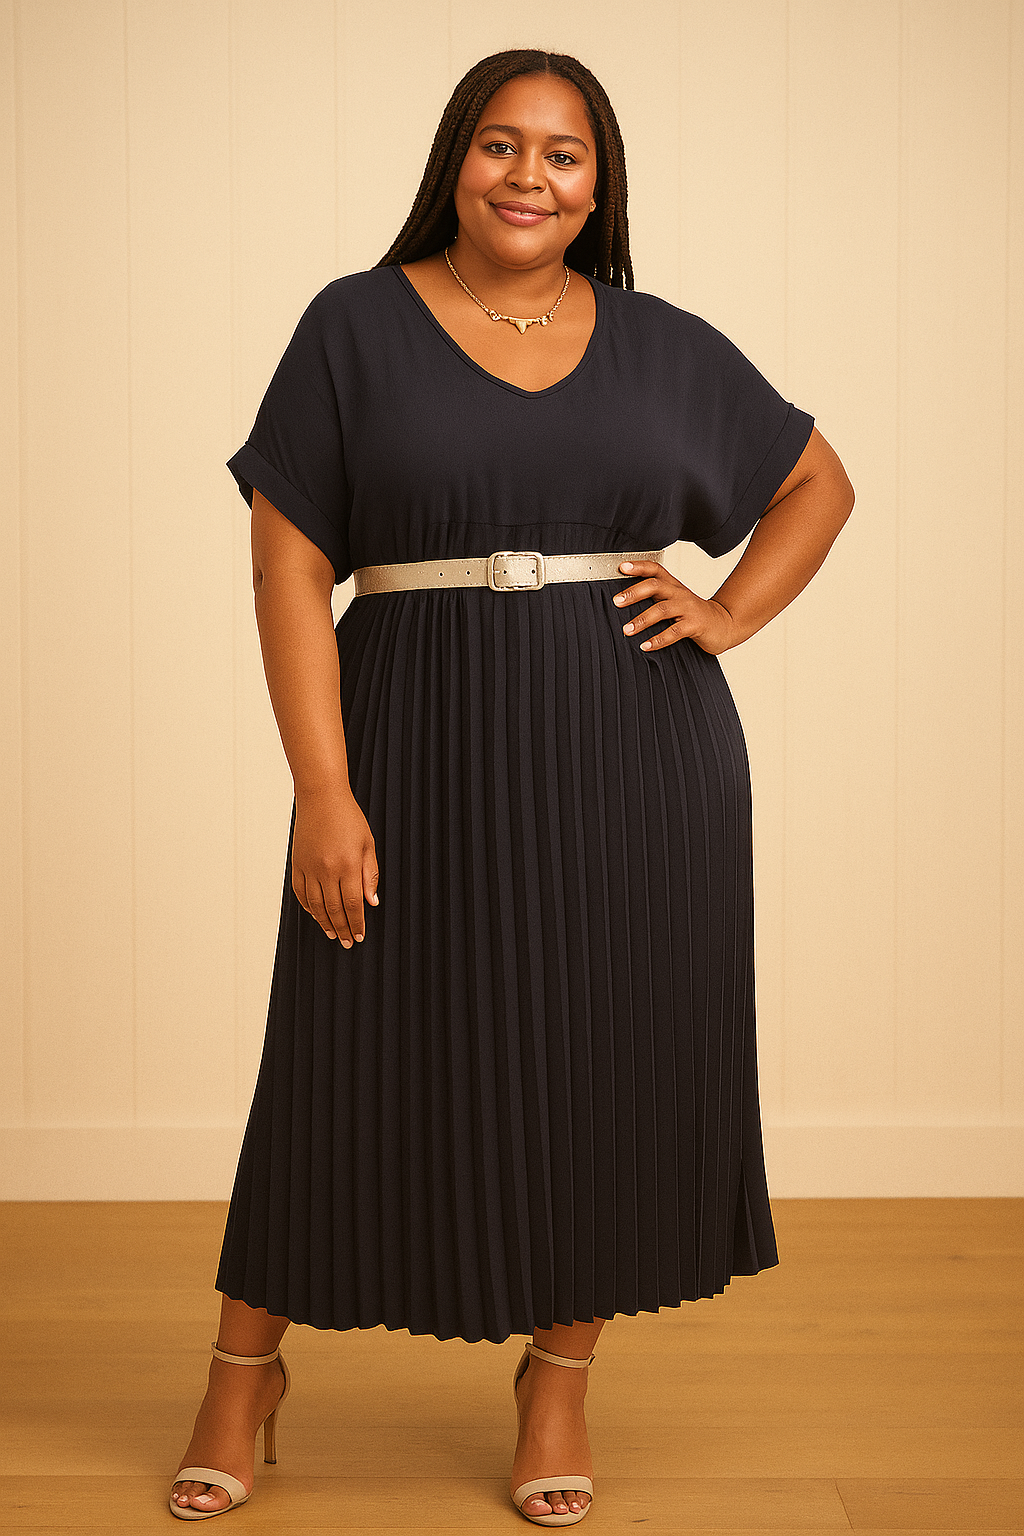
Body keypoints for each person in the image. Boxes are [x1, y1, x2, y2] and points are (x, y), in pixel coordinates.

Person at [170, 47, 854, 1527]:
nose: (528, 175)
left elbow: (820, 482)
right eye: (501, 144)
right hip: (409, 741)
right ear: (456, 161)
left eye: (563, 153)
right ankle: (242, 1372)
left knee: (598, 1063)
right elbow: (288, 565)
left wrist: (728, 613)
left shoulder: (662, 341)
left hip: (634, 758)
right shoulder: (354, 325)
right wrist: (323, 789)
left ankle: (558, 1384)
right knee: (337, 1053)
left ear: (599, 186)